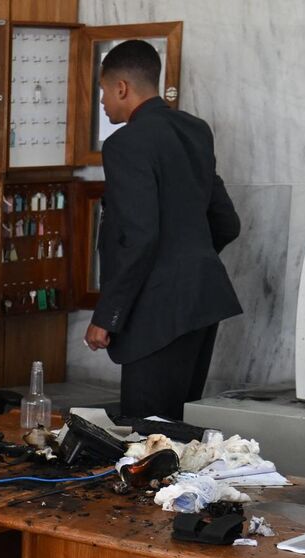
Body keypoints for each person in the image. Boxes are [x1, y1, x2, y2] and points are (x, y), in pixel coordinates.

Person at [83, 38, 241, 420]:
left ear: (122, 87)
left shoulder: (126, 144)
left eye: (103, 91)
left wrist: (107, 316)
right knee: (179, 430)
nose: (102, 102)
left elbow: (138, 237)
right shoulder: (195, 131)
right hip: (202, 303)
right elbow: (227, 222)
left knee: (147, 434)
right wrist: (187, 261)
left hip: (159, 312)